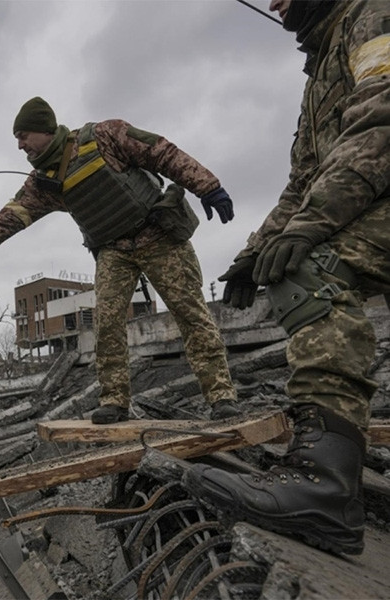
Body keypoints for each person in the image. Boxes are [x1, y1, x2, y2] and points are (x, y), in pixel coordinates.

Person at [185, 0, 390, 556]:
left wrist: (305, 232)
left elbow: (382, 118)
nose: (274, 2)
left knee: (309, 269)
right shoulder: (320, 67)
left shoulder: (372, 15)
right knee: (286, 262)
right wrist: (255, 252)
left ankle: (324, 488)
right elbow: (304, 180)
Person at [0, 97, 240, 424]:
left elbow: (161, 151)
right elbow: (3, 224)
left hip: (158, 236)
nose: (19, 145)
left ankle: (221, 397)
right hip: (114, 251)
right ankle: (115, 400)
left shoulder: (104, 136)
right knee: (107, 323)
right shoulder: (42, 183)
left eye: (23, 135)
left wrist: (207, 186)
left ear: (45, 129)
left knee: (191, 314)